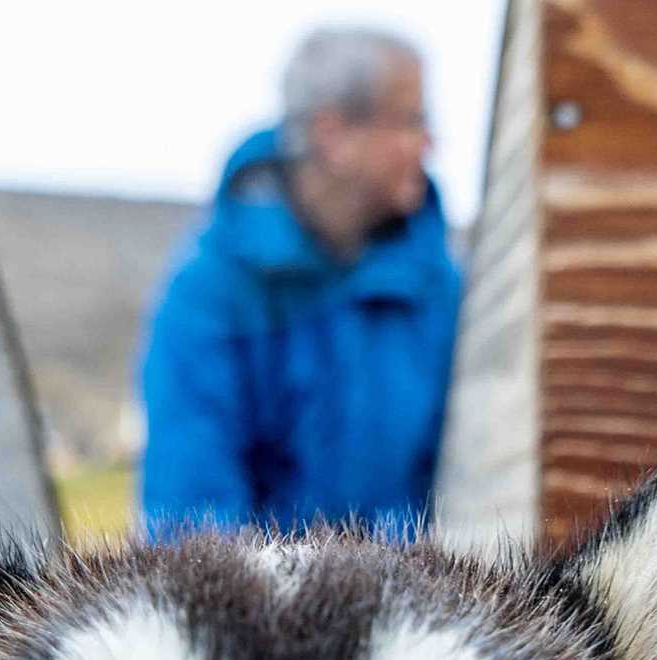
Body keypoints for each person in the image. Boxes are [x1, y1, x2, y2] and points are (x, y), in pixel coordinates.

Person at [139, 26, 461, 537]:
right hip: (255, 604)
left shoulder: (441, 291)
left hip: (407, 602)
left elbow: (467, 485)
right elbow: (191, 514)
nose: (429, 144)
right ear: (333, 136)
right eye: (410, 121)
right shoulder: (209, 295)